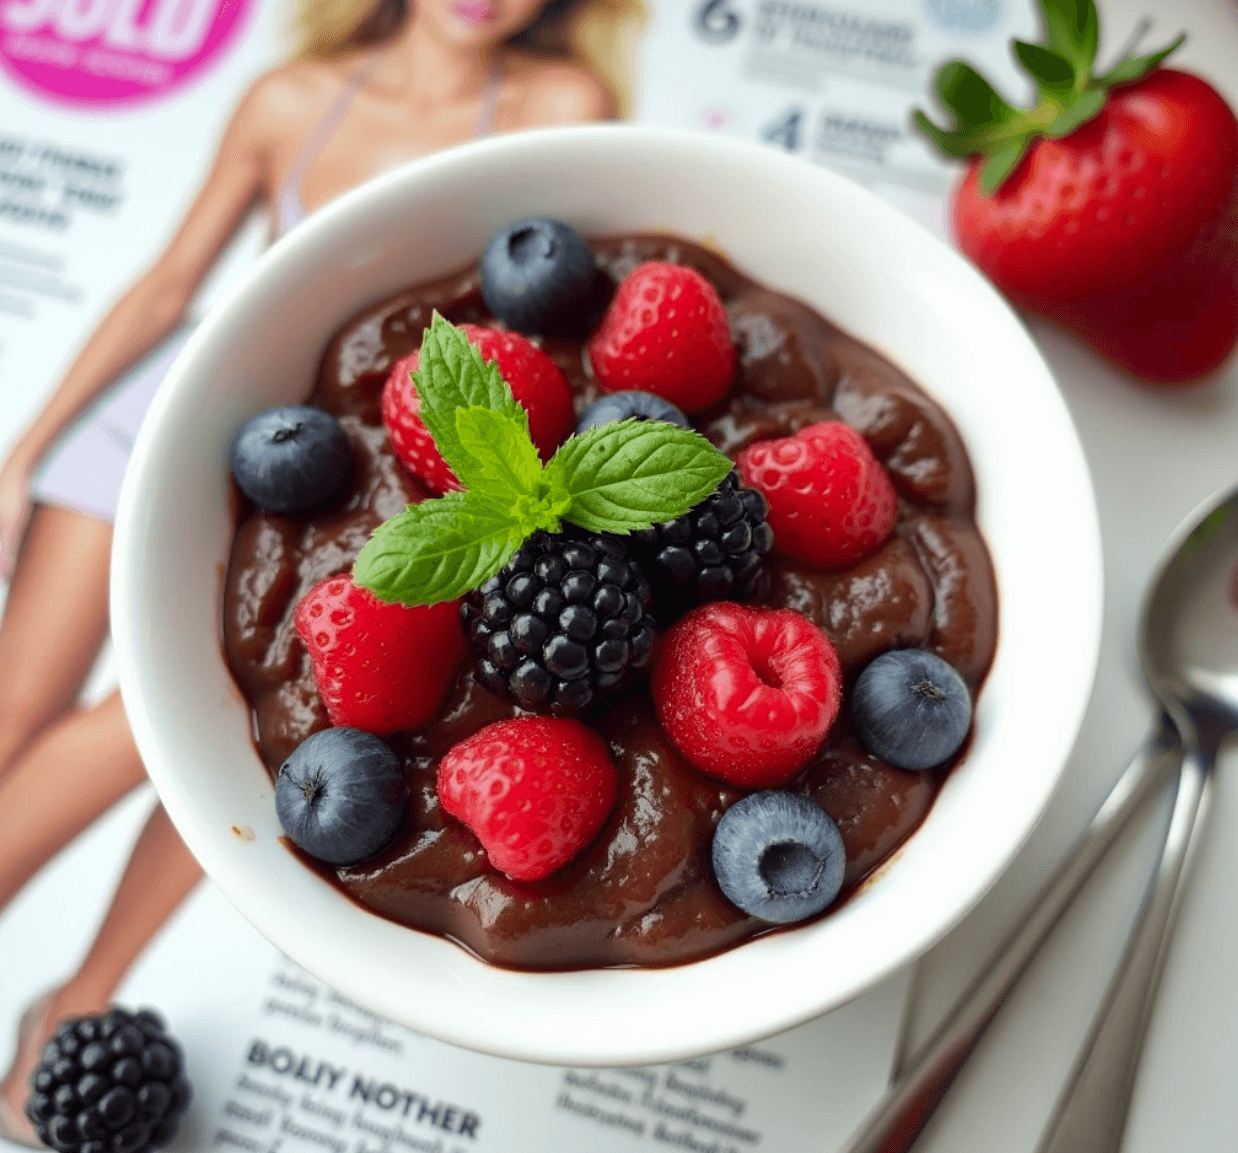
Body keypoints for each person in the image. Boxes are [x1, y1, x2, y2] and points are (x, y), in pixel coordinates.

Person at [0, 0, 646, 1141]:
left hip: (326, 449)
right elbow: (164, 287)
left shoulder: (560, 107)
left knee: (226, 753)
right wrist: (24, 455)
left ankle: (79, 995)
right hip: (147, 422)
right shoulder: (292, 98)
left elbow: (533, 313)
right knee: (17, 718)